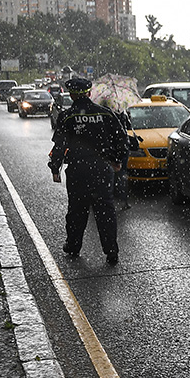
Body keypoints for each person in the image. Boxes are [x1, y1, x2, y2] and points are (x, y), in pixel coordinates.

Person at [48, 77, 129, 265]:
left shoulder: (67, 116)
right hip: (102, 169)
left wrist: (55, 168)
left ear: (72, 95)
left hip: (78, 171)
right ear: (89, 93)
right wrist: (117, 161)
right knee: (105, 211)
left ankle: (73, 246)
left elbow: (59, 145)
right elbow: (122, 140)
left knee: (77, 211)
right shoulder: (106, 114)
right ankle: (111, 251)